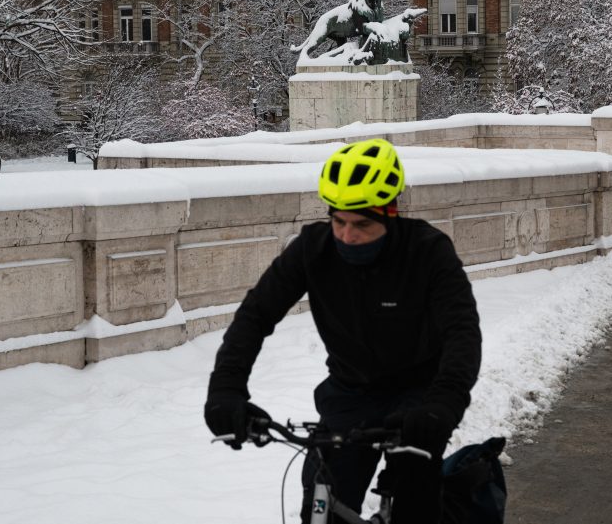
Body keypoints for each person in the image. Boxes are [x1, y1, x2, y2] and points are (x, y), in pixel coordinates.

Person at [204, 138, 482, 523]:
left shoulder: (428, 251)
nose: (347, 236)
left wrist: (443, 405)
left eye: (362, 225)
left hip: (418, 394)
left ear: (390, 213)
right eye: (338, 221)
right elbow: (255, 316)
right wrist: (225, 390)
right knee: (322, 500)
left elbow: (462, 333)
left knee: (415, 498)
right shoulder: (312, 250)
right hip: (350, 393)